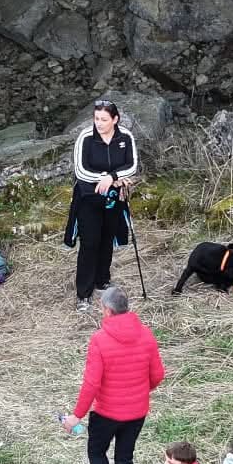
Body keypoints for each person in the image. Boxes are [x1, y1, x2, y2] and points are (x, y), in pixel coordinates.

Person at [65, 286, 165, 464]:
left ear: (108, 310)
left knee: (96, 453)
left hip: (107, 413)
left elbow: (92, 383)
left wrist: (77, 415)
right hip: (137, 412)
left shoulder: (100, 340)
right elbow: (158, 375)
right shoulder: (146, 334)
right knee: (124, 458)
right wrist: (140, 390)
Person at [65, 99, 139, 311]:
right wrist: (106, 179)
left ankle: (102, 280)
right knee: (90, 243)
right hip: (88, 197)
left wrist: (113, 178)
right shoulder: (85, 137)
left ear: (115, 120)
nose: (98, 123)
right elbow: (81, 170)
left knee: (107, 239)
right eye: (96, 118)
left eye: (104, 119)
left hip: (114, 197)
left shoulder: (125, 137)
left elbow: (132, 165)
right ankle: (83, 293)